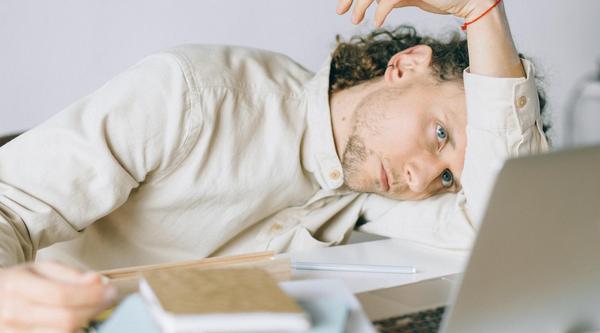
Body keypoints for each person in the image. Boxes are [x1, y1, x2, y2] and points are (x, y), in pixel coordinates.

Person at [0, 0, 548, 331]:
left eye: (449, 175)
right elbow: (10, 205)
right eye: (440, 133)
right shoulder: (194, 94)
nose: (425, 178)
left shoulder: (364, 191)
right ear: (405, 66)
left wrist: (483, 15)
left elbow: (506, 229)